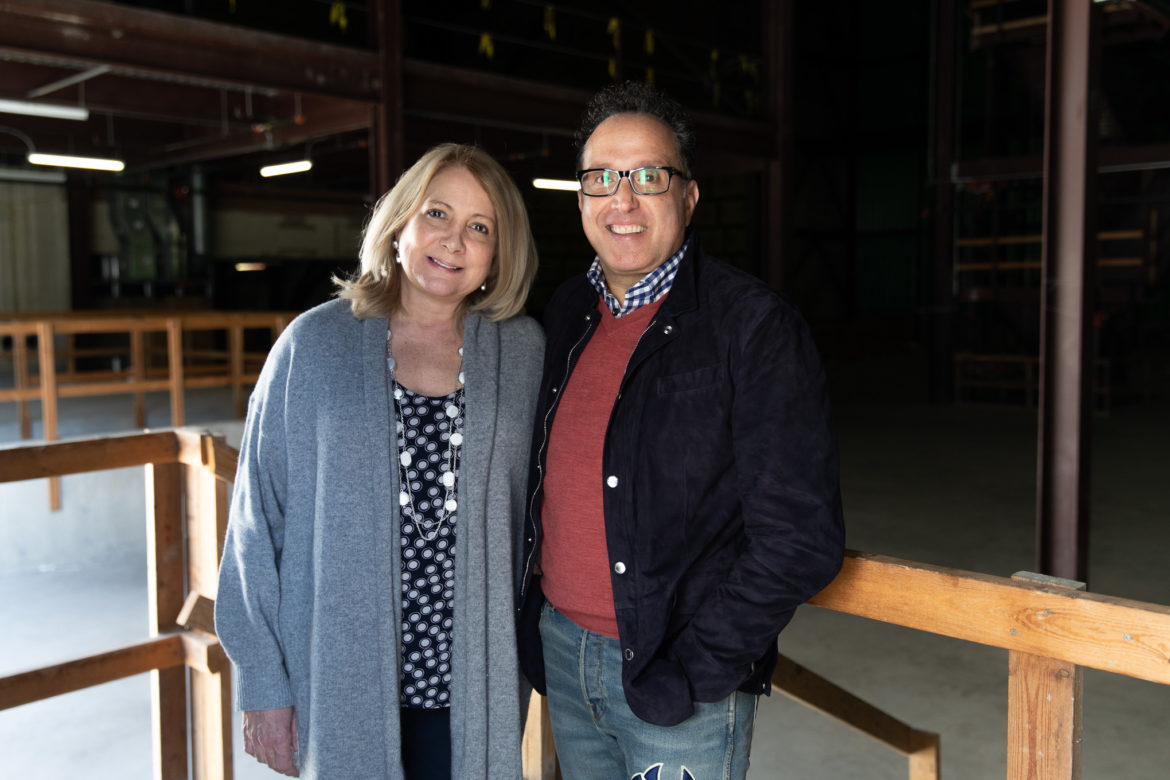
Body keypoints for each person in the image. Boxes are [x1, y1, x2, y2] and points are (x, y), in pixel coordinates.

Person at [517, 81, 846, 780]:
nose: (623, 200)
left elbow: (801, 538)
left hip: (674, 675)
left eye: (649, 176)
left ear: (689, 196)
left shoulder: (753, 328)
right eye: (601, 178)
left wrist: (700, 666)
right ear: (580, 199)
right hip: (562, 654)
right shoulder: (566, 312)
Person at [215, 142, 544, 779]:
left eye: (480, 227)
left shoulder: (523, 353)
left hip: (475, 685)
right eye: (437, 214)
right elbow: (257, 521)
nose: (454, 240)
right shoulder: (314, 344)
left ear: (499, 253)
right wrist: (262, 679)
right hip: (340, 683)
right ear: (399, 224)